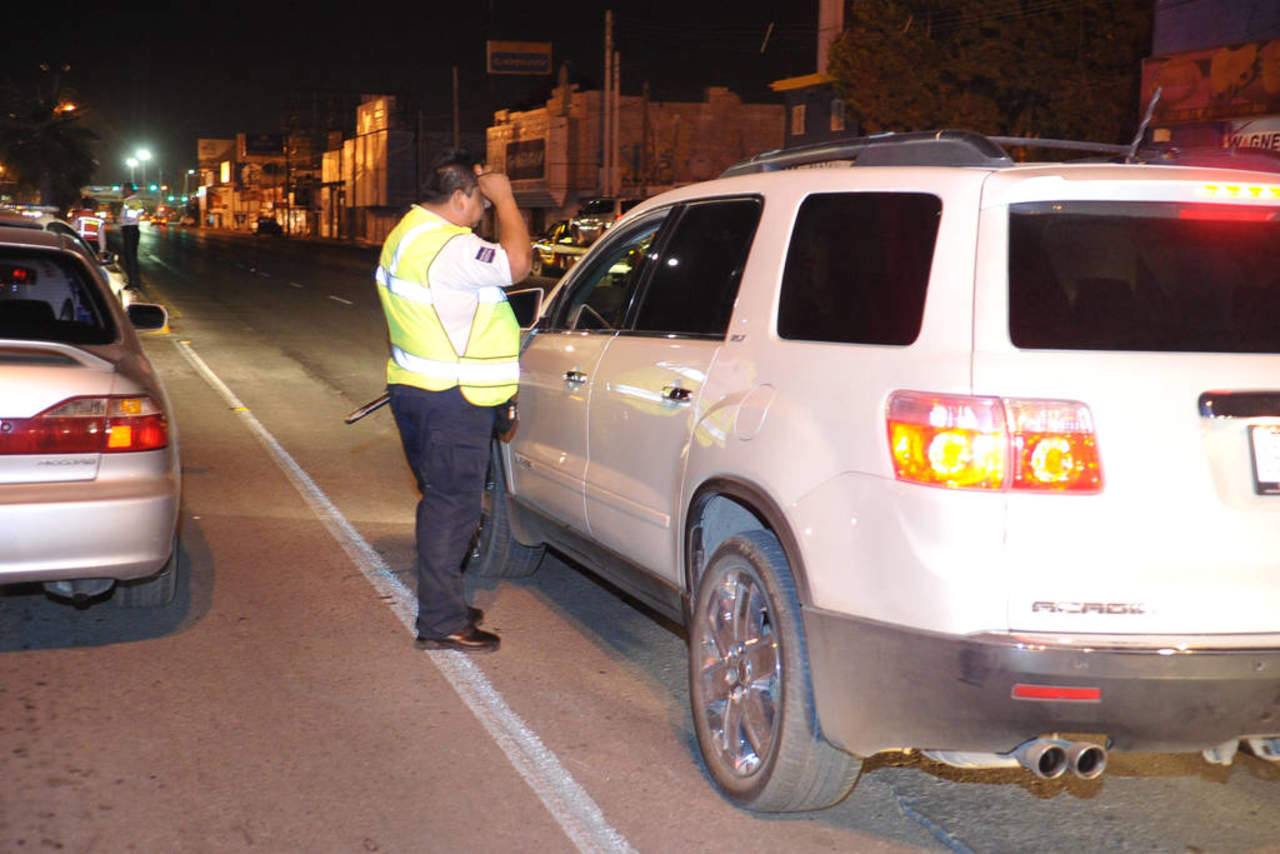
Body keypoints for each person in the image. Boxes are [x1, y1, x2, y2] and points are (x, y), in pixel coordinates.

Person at [375, 149, 531, 654]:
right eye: (480, 202)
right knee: (452, 510)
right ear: (461, 197)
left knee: (441, 504)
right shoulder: (451, 245)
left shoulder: (407, 234)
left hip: (418, 389)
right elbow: (517, 264)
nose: (483, 212)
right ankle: (442, 621)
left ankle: (447, 607)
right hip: (452, 399)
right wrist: (506, 199)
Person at [118, 184, 144, 287]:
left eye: (124, 190)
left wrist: (122, 221)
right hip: (130, 229)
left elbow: (131, 217)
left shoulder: (132, 201)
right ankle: (134, 280)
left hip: (130, 229)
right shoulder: (130, 201)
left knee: (130, 257)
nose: (122, 192)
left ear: (129, 190)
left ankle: (133, 282)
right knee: (130, 256)